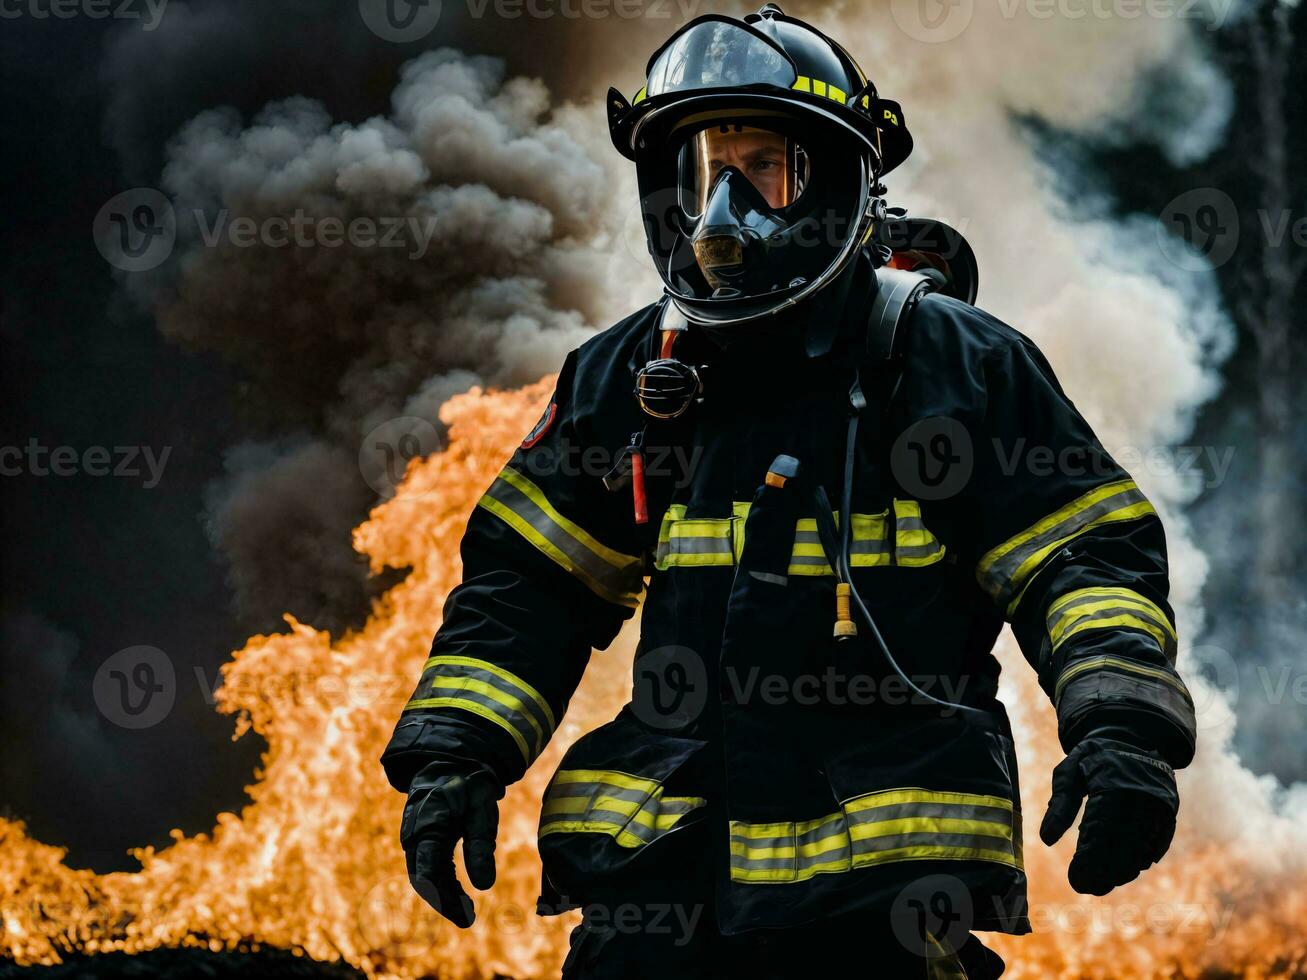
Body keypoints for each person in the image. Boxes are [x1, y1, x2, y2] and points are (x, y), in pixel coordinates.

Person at [382, 7, 1196, 977]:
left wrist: (1122, 733)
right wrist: (455, 753)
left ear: (838, 178)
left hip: (880, 910)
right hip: (656, 894)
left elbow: (1081, 558)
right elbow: (529, 585)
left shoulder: (952, 367)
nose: (724, 210)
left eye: (761, 169)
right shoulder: (627, 377)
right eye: (699, 171)